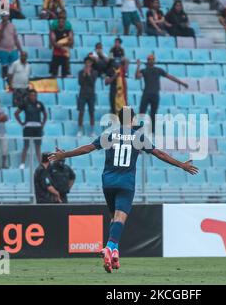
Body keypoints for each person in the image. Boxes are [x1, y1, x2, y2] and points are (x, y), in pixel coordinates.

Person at [48, 106, 199, 273]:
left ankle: (114, 253)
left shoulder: (109, 135)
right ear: (132, 119)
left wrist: (65, 155)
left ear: (119, 119)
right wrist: (181, 165)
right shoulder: (138, 137)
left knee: (113, 218)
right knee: (120, 218)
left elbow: (87, 148)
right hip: (126, 184)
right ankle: (109, 247)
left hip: (108, 183)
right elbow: (159, 154)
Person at [135, 55, 188, 133]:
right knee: (142, 112)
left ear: (154, 61)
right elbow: (137, 77)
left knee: (153, 113)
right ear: (147, 61)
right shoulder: (144, 70)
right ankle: (138, 128)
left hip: (155, 94)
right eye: (149, 59)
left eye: (152, 59)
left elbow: (170, 77)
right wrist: (138, 66)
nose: (151, 61)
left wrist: (182, 83)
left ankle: (152, 130)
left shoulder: (158, 70)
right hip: (146, 94)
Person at [14, 90, 47, 169]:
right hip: (28, 127)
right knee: (26, 146)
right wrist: (21, 123)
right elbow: (16, 113)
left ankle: (40, 164)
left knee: (38, 147)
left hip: (38, 127)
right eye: (31, 95)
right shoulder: (25, 104)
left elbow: (45, 115)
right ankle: (22, 163)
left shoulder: (40, 104)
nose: (33, 97)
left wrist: (42, 124)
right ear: (29, 96)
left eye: (34, 95)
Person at [0, 11, 23, 78]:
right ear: (1, 17)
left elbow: (16, 39)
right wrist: (3, 27)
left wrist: (20, 50)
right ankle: (5, 81)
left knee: (14, 67)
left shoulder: (12, 26)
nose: (5, 17)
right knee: (4, 66)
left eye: (6, 16)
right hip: (2, 50)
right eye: (4, 16)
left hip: (13, 49)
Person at [77, 57, 99, 137]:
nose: (87, 64)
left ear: (91, 63)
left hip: (91, 95)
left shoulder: (94, 72)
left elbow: (92, 83)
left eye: (89, 62)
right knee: (81, 112)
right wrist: (84, 74)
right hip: (82, 94)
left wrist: (89, 74)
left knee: (91, 112)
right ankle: (79, 130)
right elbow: (80, 83)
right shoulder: (80, 72)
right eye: (86, 62)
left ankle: (92, 131)